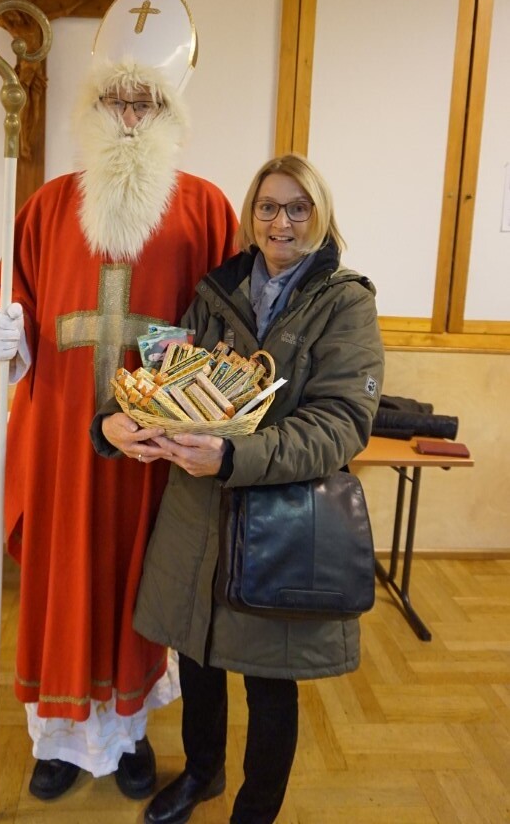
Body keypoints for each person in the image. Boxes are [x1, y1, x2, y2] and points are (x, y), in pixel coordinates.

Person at [0, 0, 238, 804]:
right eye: (117, 100)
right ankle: (56, 742)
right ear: (94, 108)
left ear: (168, 113)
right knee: (63, 588)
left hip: (150, 454)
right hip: (62, 440)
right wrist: (1, 328)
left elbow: (230, 325)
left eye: (146, 102)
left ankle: (128, 735)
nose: (130, 115)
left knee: (140, 591)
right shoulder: (48, 205)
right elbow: (8, 291)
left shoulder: (205, 208)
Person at [94, 153, 384, 824]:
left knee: (269, 682)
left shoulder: (345, 302)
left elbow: (341, 425)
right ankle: (203, 773)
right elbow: (169, 379)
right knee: (198, 656)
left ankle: (255, 810)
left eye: (297, 208)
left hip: (280, 519)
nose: (281, 222)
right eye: (267, 207)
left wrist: (231, 456)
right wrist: (119, 420)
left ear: (320, 216)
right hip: (197, 513)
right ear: (250, 216)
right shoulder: (217, 290)